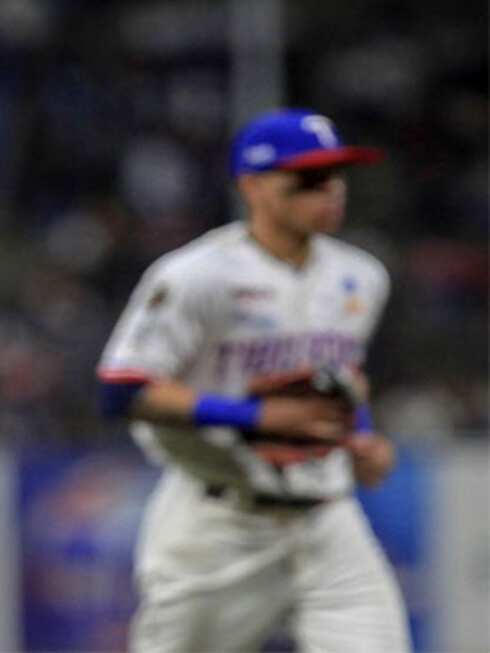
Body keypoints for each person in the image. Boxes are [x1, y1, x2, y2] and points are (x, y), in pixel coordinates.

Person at [97, 108, 411, 651]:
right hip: (220, 521)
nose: (330, 191)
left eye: (335, 176)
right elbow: (121, 388)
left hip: (328, 520)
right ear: (254, 186)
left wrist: (360, 434)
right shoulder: (198, 275)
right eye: (308, 180)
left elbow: (344, 377)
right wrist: (255, 417)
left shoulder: (361, 275)